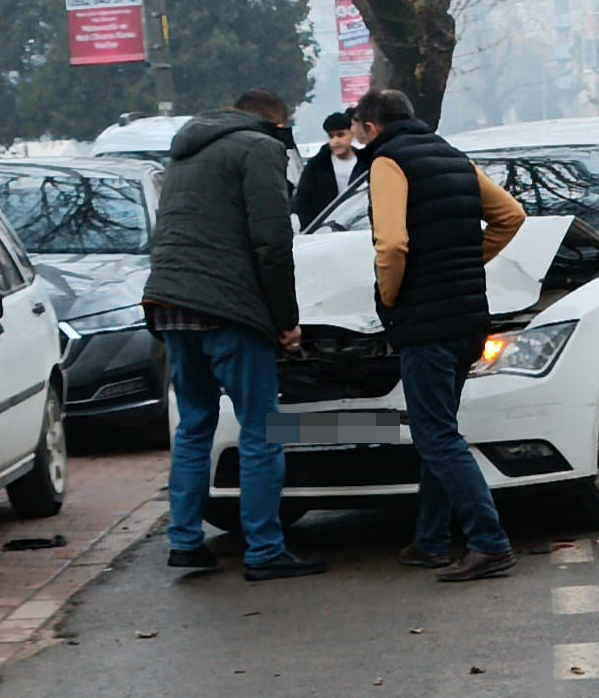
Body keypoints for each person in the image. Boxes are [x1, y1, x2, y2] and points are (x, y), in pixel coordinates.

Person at [142, 88, 327, 582]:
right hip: (229, 308)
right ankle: (264, 548)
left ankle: (184, 542)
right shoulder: (260, 147)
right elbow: (272, 242)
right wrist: (286, 320)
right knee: (262, 429)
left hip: (172, 303)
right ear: (274, 121)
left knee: (195, 426)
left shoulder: (185, 151)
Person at [352, 89, 527, 582]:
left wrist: (390, 296)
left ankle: (489, 542)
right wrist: (467, 262)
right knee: (439, 429)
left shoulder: (387, 162)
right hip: (468, 318)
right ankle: (430, 541)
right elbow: (511, 215)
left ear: (370, 126)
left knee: (435, 434)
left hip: (426, 322)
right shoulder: (454, 157)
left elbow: (391, 243)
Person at [293, 110, 361, 228]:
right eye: (331, 136)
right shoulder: (316, 166)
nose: (336, 140)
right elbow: (303, 202)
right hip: (326, 231)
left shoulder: (365, 162)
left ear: (351, 134)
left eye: (341, 135)